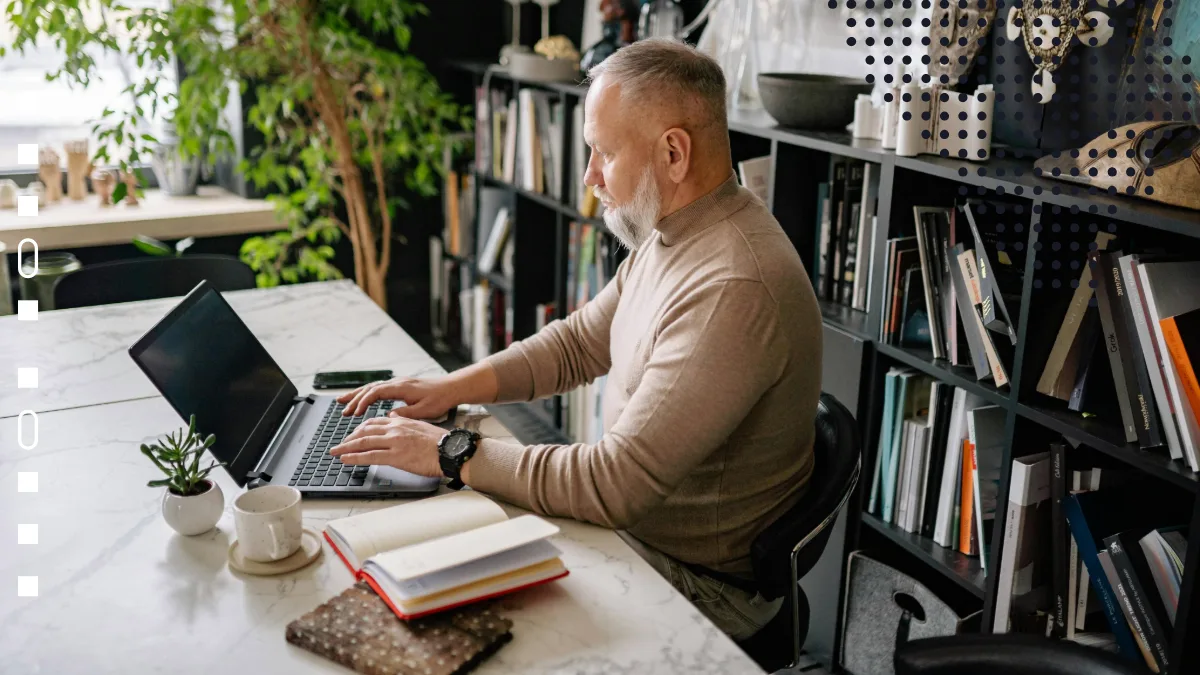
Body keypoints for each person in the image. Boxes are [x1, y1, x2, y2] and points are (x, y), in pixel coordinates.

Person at [329, 37, 823, 641]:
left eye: (602, 153)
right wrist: (449, 388)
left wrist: (448, 451)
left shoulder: (732, 283)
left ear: (673, 152)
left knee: (443, 606)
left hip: (702, 588)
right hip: (637, 533)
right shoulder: (676, 231)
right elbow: (579, 345)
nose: (588, 176)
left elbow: (612, 485)